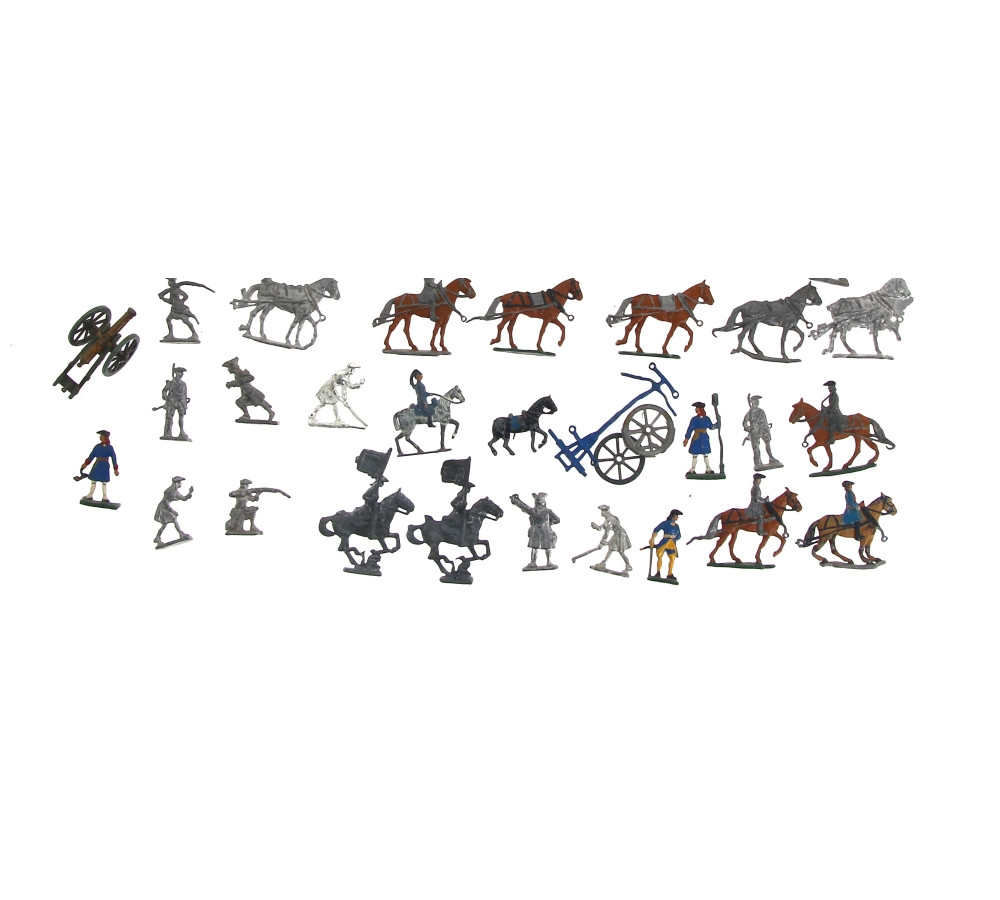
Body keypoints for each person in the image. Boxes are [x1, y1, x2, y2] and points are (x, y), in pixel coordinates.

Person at [510, 492, 560, 570]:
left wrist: (516, 501)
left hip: (538, 530)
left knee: (539, 547)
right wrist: (549, 523)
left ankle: (539, 562)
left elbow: (524, 506)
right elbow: (557, 520)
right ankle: (544, 562)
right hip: (544, 530)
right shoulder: (546, 511)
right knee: (543, 547)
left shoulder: (535, 511)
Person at [742, 394, 781, 469]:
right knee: (756, 447)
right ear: (753, 402)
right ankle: (758, 463)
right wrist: (748, 428)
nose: (758, 401)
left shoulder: (761, 411)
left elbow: (764, 420)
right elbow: (744, 423)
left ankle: (771, 458)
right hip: (754, 431)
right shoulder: (750, 413)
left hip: (763, 430)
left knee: (767, 443)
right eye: (756, 400)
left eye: (758, 400)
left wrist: (767, 425)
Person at [153, 476, 193, 547]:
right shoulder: (169, 491)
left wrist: (190, 493)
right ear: (176, 483)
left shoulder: (175, 492)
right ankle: (181, 534)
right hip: (163, 508)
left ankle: (157, 537)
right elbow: (165, 503)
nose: (181, 484)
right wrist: (172, 511)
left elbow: (184, 498)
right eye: (180, 482)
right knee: (174, 519)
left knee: (164, 524)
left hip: (165, 508)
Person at [591, 504, 632, 573]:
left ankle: (628, 566)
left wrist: (602, 543)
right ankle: (603, 563)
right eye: (601, 511)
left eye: (603, 511)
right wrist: (596, 527)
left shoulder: (610, 520)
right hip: (617, 534)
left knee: (621, 551)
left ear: (607, 512)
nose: (601, 513)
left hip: (620, 535)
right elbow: (601, 528)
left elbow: (606, 533)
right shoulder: (609, 519)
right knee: (610, 548)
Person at [81, 429, 119, 504]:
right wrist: (86, 463)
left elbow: (114, 458)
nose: (100, 437)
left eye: (101, 436)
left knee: (104, 481)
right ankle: (90, 494)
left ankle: (104, 496)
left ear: (105, 437)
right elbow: (91, 455)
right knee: (93, 480)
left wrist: (115, 469)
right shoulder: (97, 447)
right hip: (97, 465)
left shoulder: (110, 448)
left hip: (105, 466)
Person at [683, 401, 717, 474]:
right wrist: (686, 438)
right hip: (697, 438)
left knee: (705, 454)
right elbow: (690, 429)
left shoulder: (707, 419)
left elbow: (711, 427)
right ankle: (692, 469)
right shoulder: (694, 419)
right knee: (695, 454)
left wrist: (717, 424)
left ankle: (708, 468)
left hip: (704, 438)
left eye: (697, 408)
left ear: (700, 409)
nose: (695, 409)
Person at [649, 510, 682, 583]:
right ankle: (658, 572)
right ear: (673, 516)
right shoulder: (665, 523)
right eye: (676, 516)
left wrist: (674, 538)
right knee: (660, 556)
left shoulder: (677, 526)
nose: (677, 517)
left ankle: (669, 574)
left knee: (672, 558)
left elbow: (679, 536)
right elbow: (656, 529)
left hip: (672, 543)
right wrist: (652, 538)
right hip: (665, 542)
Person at [160, 364, 190, 440]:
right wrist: (166, 398)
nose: (182, 374)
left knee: (181, 417)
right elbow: (164, 391)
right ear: (176, 373)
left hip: (181, 402)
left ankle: (181, 432)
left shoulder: (183, 384)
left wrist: (185, 404)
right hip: (172, 401)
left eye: (182, 373)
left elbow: (185, 394)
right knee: (169, 417)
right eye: (180, 372)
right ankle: (168, 433)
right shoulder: (170, 383)